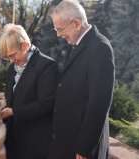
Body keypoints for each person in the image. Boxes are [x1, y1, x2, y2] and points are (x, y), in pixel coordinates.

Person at [48, 1, 115, 159]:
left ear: (76, 24)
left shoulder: (100, 48)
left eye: (60, 29)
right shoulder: (79, 44)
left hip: (82, 148)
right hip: (67, 141)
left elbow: (98, 104)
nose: (58, 34)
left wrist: (84, 149)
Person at [0, 23, 57, 159]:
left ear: (25, 46)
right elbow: (12, 99)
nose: (11, 61)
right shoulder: (12, 69)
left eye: (13, 55)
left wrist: (14, 112)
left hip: (34, 144)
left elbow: (46, 104)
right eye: (8, 57)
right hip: (12, 142)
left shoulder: (47, 66)